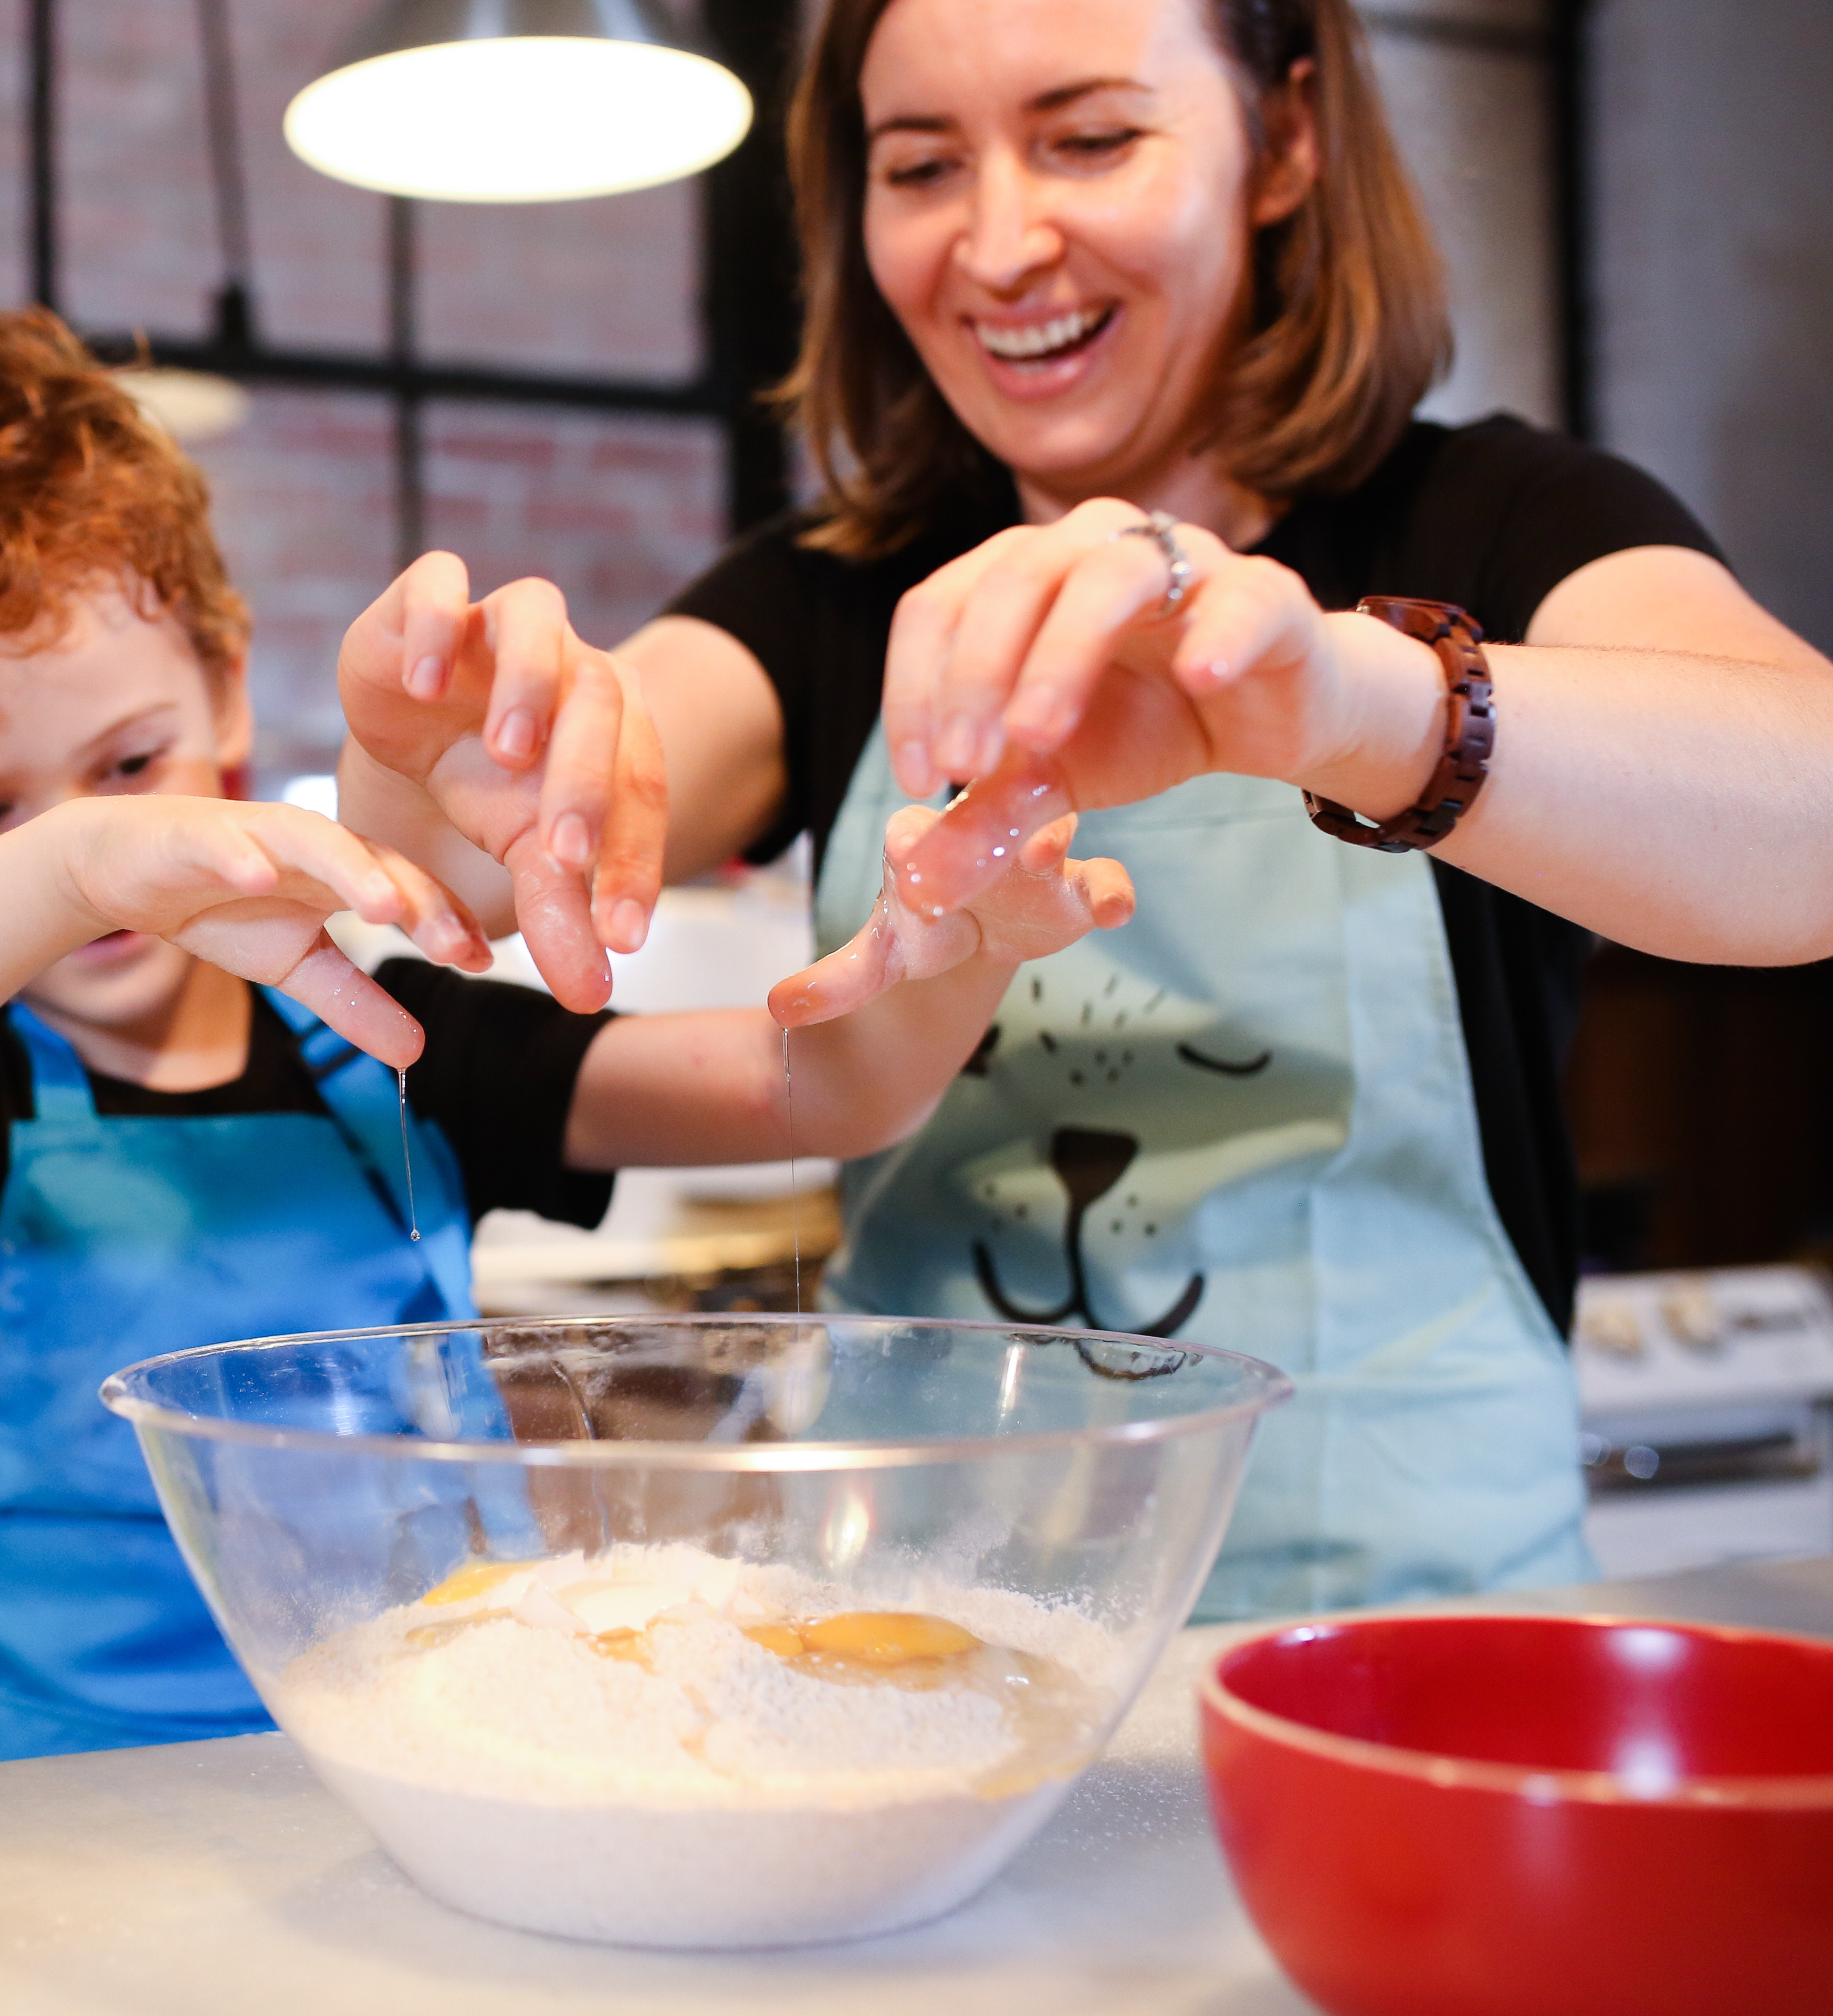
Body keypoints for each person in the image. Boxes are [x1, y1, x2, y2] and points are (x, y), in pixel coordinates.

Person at [334, 0, 1833, 1620]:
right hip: (924, 1648)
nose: (997, 246)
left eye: (1091, 139)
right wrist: (428, 764)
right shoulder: (821, 602)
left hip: (1417, 1651)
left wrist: (1354, 703)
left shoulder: (1503, 524)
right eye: (920, 167)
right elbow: (484, 865)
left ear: (1287, 139)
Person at [0, 310, 1134, 1765]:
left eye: (129, 769)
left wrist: (961, 957)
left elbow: (821, 1088)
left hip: (431, 1767)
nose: (107, 845)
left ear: (224, 686)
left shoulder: (397, 1044)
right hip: (35, 1816)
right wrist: (70, 862)